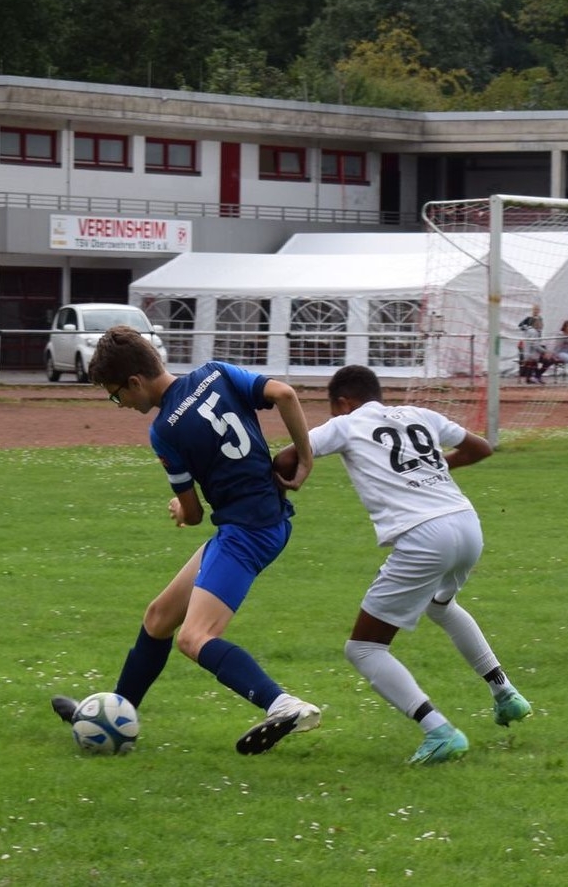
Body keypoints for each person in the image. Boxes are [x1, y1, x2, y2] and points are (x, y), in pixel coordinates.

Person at [50, 325, 323, 755]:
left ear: (135, 382)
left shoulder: (164, 431)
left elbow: (193, 515)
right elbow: (285, 394)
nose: (121, 404)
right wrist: (305, 458)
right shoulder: (217, 373)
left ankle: (283, 705)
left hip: (247, 534)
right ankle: (113, 714)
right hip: (261, 520)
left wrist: (180, 509)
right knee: (159, 616)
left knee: (193, 637)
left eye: (116, 395)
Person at [274, 365, 531, 765]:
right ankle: (505, 693)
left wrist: (283, 480)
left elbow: (286, 456)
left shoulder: (346, 424)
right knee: (441, 606)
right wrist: (428, 470)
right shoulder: (419, 414)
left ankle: (439, 731)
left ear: (343, 402)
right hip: (467, 524)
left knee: (364, 648)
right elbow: (481, 448)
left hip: (424, 535)